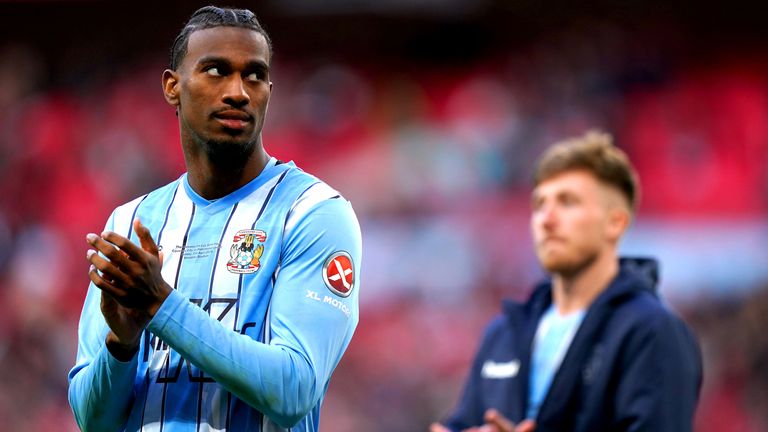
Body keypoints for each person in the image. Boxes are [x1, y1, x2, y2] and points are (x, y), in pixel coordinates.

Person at [68, 6, 361, 432]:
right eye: (216, 71)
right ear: (173, 87)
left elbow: (294, 390)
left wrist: (159, 305)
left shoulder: (313, 213)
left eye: (255, 75)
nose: (239, 92)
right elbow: (92, 421)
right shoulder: (132, 220)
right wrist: (122, 344)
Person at [430, 131, 701, 432]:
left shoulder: (650, 331)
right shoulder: (503, 333)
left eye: (567, 202)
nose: (546, 219)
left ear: (615, 222)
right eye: (539, 205)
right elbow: (465, 421)